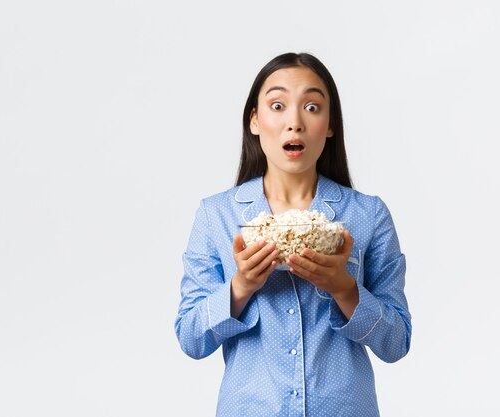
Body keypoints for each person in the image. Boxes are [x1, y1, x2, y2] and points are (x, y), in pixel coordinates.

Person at [175, 52, 411, 416]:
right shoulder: (217, 216)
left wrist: (343, 288)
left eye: (313, 107)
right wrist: (240, 288)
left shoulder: (367, 215)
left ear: (330, 124)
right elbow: (191, 338)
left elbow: (396, 343)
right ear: (254, 120)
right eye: (278, 105)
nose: (295, 122)